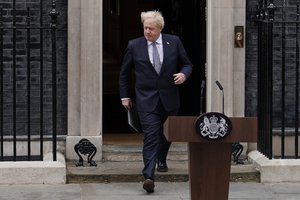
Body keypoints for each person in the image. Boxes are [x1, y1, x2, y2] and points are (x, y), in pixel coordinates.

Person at [119, 10, 192, 193]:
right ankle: (149, 176)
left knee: (167, 135)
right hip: (145, 100)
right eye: (145, 28)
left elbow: (187, 64)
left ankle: (161, 158)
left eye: (151, 28)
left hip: (169, 98)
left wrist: (184, 74)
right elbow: (124, 74)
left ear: (160, 28)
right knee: (151, 136)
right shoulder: (134, 45)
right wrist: (125, 96)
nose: (147, 32)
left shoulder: (173, 42)